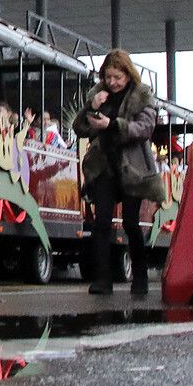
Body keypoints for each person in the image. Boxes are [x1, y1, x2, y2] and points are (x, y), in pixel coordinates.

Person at [72, 49, 163, 296]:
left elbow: (144, 128)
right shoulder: (99, 94)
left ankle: (140, 277)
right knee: (101, 223)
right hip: (104, 166)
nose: (112, 82)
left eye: (117, 77)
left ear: (127, 74)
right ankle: (102, 279)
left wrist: (112, 124)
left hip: (132, 166)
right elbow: (79, 128)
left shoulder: (142, 95)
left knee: (131, 224)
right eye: (108, 76)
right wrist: (91, 107)